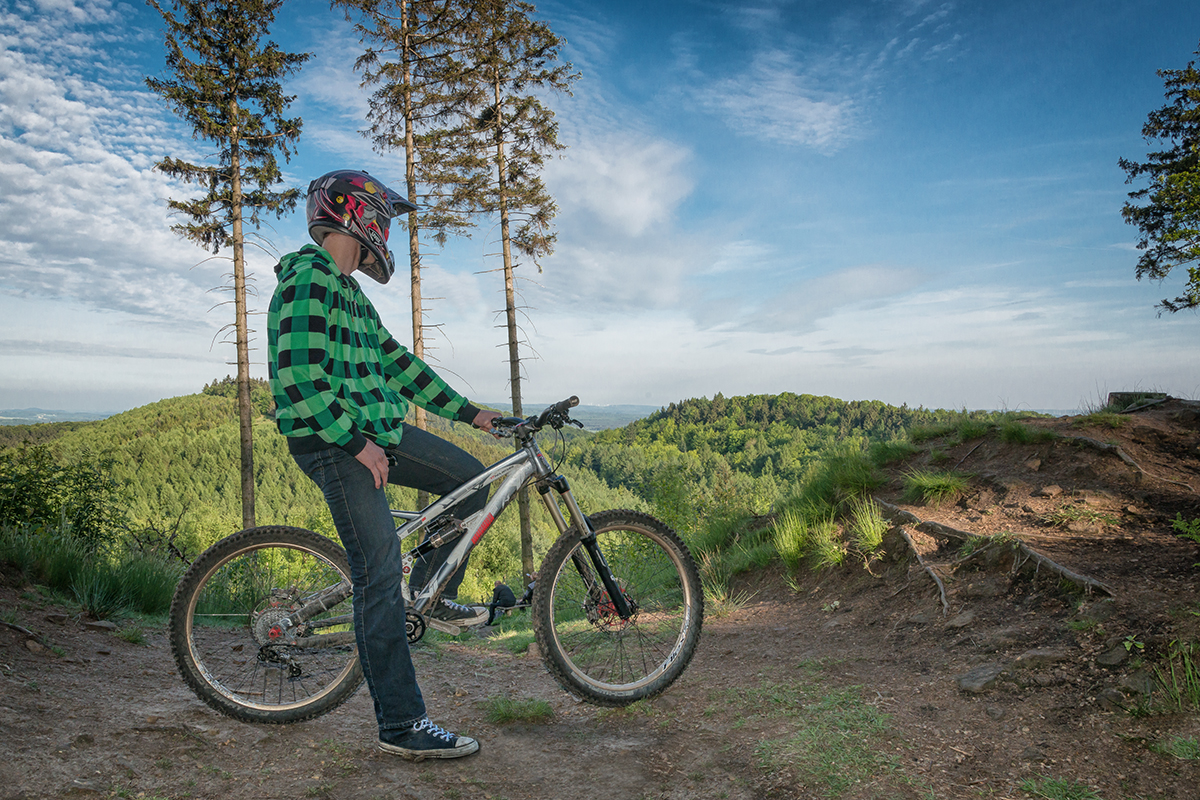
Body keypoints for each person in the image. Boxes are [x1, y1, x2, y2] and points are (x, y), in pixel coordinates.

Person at [267, 169, 499, 761]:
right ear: (357, 214)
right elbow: (299, 380)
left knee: (475, 484)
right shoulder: (307, 282)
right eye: (384, 218)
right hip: (333, 443)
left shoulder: (351, 294)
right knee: (377, 573)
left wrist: (475, 415)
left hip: (375, 434)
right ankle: (401, 724)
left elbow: (401, 367)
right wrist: (354, 444)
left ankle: (431, 590)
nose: (387, 232)